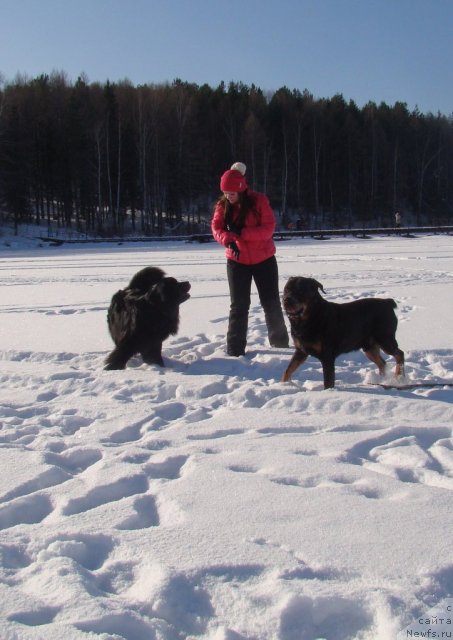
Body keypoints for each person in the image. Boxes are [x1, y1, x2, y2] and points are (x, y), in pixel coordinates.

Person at [211, 162, 289, 356]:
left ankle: (280, 346)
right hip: (237, 262)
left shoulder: (259, 201)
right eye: (226, 193)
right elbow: (216, 228)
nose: (228, 197)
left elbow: (268, 229)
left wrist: (243, 232)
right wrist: (228, 240)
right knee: (238, 306)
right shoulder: (222, 206)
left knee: (271, 302)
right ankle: (235, 350)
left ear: (241, 190)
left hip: (264, 260)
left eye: (232, 193)